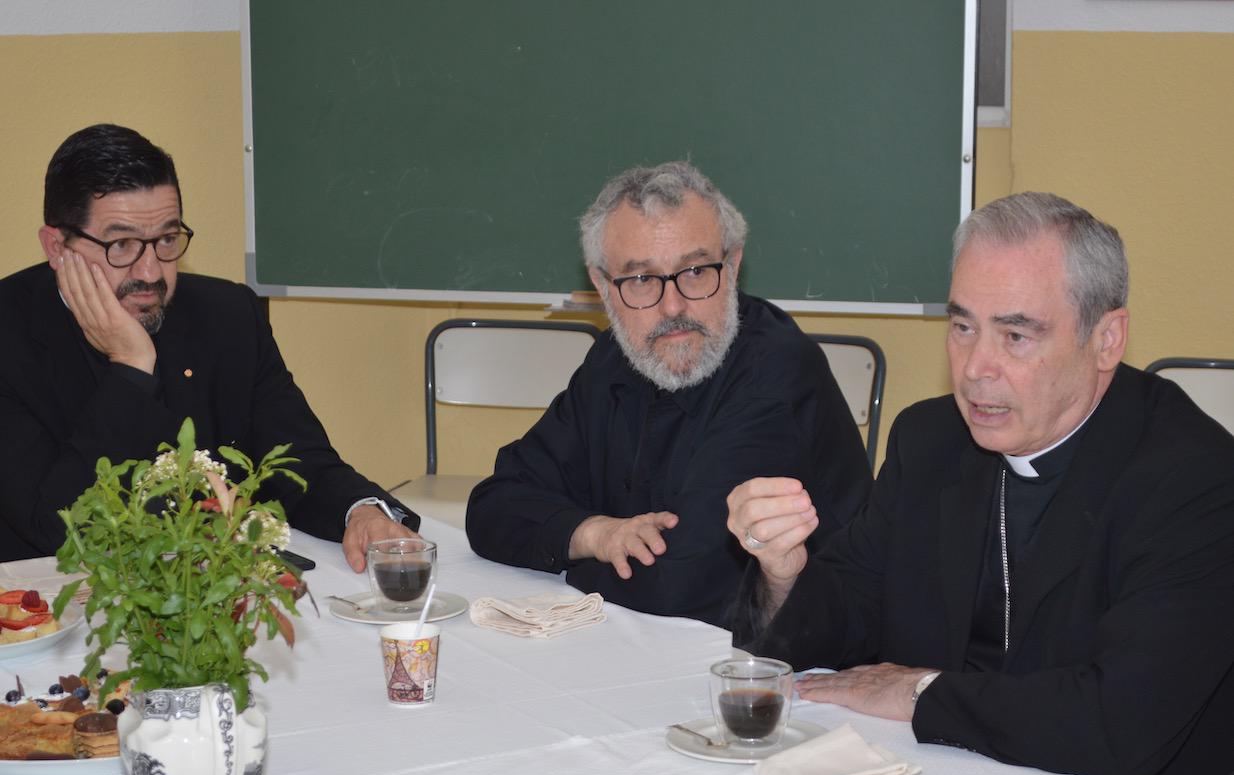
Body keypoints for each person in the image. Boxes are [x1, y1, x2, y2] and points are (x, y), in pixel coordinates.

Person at [726, 191, 1234, 775]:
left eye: (1016, 336)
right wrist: (784, 571)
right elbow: (847, 616)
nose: (975, 368)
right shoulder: (931, 439)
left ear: (1106, 339)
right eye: (963, 327)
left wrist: (921, 692)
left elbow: (1121, 725)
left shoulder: (1194, 479)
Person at [466, 161, 871, 627]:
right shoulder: (616, 358)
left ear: (734, 266)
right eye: (641, 280)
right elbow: (493, 507)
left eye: (696, 271)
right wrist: (593, 533)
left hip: (784, 667)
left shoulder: (776, 372)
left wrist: (560, 547)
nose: (673, 306)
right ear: (602, 286)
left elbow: (681, 588)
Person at [0, 124, 419, 568]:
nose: (151, 272)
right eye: (121, 244)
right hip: (45, 614)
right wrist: (130, 366)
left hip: (213, 596)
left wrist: (361, 511)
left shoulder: (228, 314)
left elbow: (296, 458)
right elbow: (56, 528)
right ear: (56, 247)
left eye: (166, 240)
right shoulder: (9, 333)